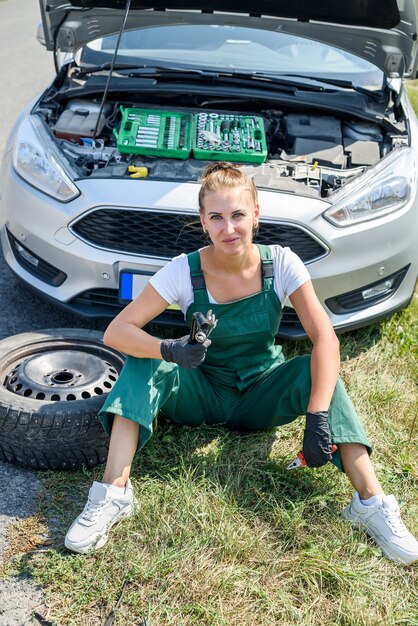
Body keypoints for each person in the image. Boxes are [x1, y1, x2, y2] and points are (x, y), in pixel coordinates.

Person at [65, 162, 418, 565]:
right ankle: (113, 492)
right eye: (216, 217)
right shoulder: (183, 270)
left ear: (256, 214)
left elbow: (324, 338)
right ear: (202, 221)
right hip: (200, 391)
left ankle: (370, 503)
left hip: (260, 393)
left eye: (237, 215)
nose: (228, 228)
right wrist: (171, 350)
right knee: (143, 358)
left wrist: (317, 415)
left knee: (317, 370)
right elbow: (117, 331)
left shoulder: (282, 263)